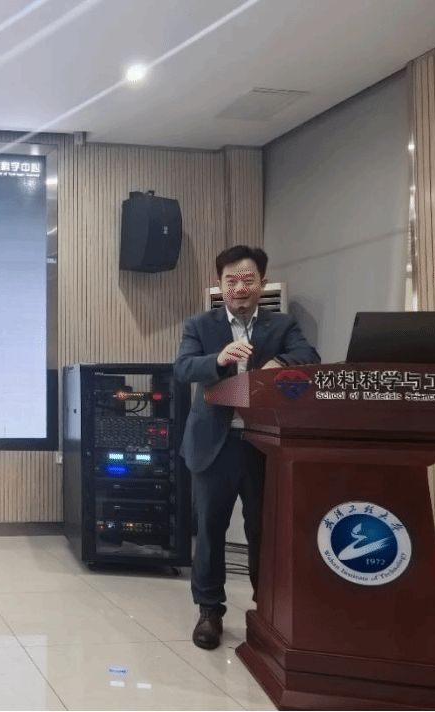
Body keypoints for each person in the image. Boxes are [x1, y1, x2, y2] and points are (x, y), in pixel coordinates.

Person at [174, 245, 320, 650]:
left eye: (248, 279)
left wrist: (280, 364)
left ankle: (267, 609)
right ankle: (209, 611)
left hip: (263, 443)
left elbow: (309, 355)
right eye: (231, 280)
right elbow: (183, 368)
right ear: (220, 284)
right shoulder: (200, 325)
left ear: (262, 283)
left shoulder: (282, 324)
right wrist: (218, 359)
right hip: (213, 445)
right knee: (209, 530)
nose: (239, 287)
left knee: (263, 530)